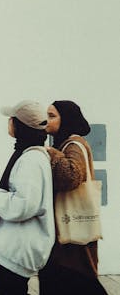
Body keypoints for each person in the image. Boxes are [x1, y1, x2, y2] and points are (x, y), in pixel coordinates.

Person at [0, 100, 55, 295]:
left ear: (21, 126)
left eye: (13, 119)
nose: (9, 121)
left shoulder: (31, 160)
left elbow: (24, 205)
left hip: (18, 250)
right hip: (15, 249)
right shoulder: (27, 155)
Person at [39, 100, 107, 295]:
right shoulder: (66, 143)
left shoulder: (74, 145)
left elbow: (71, 177)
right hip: (68, 233)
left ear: (66, 119)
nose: (46, 120)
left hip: (72, 235)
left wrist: (52, 154)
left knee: (77, 280)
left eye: (52, 116)